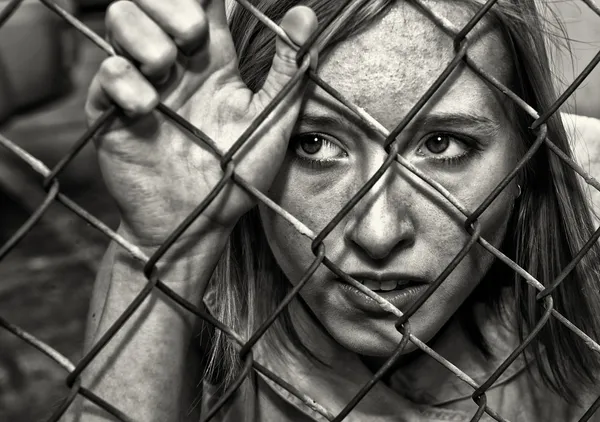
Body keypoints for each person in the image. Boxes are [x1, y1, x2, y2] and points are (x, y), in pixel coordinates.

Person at [73, 0, 600, 421]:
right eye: (315, 144)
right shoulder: (194, 301)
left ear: (528, 159)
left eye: (442, 145)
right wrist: (169, 245)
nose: (377, 232)